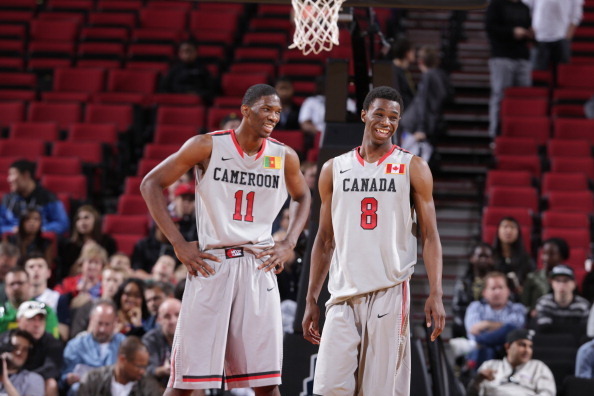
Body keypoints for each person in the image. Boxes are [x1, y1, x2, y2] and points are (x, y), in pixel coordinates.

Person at [140, 83, 311, 395]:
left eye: (277, 111)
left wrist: (289, 241)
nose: (273, 116)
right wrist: (178, 243)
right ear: (245, 110)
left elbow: (302, 195)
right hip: (213, 265)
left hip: (258, 267)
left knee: (267, 384)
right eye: (266, 109)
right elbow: (150, 184)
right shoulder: (207, 146)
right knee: (185, 384)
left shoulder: (283, 156)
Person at [302, 86, 445, 395]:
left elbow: (430, 236)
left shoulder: (413, 167)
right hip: (342, 295)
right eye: (379, 114)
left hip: (389, 292)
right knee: (327, 389)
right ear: (364, 114)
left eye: (393, 117)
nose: (386, 122)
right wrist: (311, 298)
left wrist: (436, 292)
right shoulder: (334, 169)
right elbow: (325, 239)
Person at [485, 0, 533, 138]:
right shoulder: (496, 5)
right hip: (502, 56)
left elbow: (528, 26)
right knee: (500, 95)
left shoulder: (524, 7)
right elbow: (490, 29)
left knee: (524, 97)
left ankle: (521, 131)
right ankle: (495, 133)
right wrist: (512, 31)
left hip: (522, 57)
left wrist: (530, 33)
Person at [463, 271, 526, 370]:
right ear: (484, 292)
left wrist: (486, 324)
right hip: (482, 353)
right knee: (488, 349)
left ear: (508, 291)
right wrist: (502, 329)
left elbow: (516, 328)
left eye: (501, 287)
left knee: (510, 329)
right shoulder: (476, 307)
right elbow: (473, 331)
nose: (497, 292)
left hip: (509, 352)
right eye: (493, 288)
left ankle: (480, 343)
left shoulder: (518, 308)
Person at [61, 300, 125, 395]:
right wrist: (68, 378)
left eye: (107, 324)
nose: (102, 329)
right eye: (99, 323)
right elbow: (64, 375)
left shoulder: (124, 344)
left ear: (115, 322)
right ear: (91, 320)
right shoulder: (76, 345)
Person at [0, 301, 64, 396]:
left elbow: (52, 369)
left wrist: (23, 375)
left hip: (33, 381)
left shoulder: (52, 343)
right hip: (7, 375)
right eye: (31, 320)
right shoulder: (6, 338)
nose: (37, 325)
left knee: (50, 383)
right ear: (19, 320)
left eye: (40, 320)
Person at [466, 328, 556, 395]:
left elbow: (547, 393)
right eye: (522, 345)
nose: (527, 350)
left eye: (530, 346)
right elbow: (471, 394)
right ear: (507, 347)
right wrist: (477, 380)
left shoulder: (538, 367)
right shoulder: (490, 365)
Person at [400, 45, 451, 162]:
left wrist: (421, 128)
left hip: (417, 128)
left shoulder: (429, 77)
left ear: (421, 61)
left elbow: (423, 104)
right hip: (424, 126)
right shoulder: (440, 76)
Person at [0, 159, 69, 235]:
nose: (9, 179)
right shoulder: (7, 199)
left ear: (26, 175)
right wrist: (12, 229)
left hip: (40, 242)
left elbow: (62, 224)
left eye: (12, 174)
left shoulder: (48, 197)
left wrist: (39, 230)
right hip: (12, 241)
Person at [78, 335, 161, 396]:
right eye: (139, 366)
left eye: (144, 367)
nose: (142, 371)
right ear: (122, 359)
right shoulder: (92, 380)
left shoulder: (149, 386)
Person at [57, 205, 117, 283]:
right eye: (78, 219)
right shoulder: (69, 246)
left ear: (96, 220)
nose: (82, 222)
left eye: (86, 218)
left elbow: (111, 267)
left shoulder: (108, 242)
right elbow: (65, 273)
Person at [68, 266, 127, 340]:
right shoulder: (88, 306)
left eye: (115, 281)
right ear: (102, 281)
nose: (111, 284)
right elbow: (75, 335)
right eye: (108, 280)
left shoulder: (124, 310)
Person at [522, 0, 583, 70]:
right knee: (538, 74)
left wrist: (568, 36)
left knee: (562, 75)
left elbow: (576, 14)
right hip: (539, 36)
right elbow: (526, 7)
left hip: (562, 36)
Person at [0, 267, 59, 338]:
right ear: (6, 288)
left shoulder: (45, 311)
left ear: (29, 284)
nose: (16, 287)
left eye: (20, 283)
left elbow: (51, 342)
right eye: (12, 284)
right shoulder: (1, 313)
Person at [452, 242, 495, 338]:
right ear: (472, 258)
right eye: (480, 256)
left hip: (491, 326)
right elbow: (457, 308)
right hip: (467, 327)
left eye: (487, 256)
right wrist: (471, 325)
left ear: (492, 260)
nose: (483, 259)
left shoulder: (498, 282)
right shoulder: (463, 283)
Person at [534, 264, 590, 338]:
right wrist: (574, 328)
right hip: (549, 344)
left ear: (574, 283)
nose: (561, 284)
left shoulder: (583, 305)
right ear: (551, 283)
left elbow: (585, 331)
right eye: (557, 280)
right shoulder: (543, 302)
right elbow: (544, 329)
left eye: (566, 280)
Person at [521, 238, 570, 316]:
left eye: (551, 254)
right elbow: (523, 305)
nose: (546, 258)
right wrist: (530, 312)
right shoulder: (532, 277)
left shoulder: (568, 278)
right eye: (544, 254)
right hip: (537, 319)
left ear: (562, 256)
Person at [142, 298, 181, 388]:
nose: (173, 321)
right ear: (159, 320)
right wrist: (161, 370)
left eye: (177, 315)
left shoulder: (192, 338)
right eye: (167, 316)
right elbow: (143, 370)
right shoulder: (150, 340)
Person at [492, 216, 534, 296]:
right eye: (505, 227)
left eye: (512, 227)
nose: (508, 231)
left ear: (518, 232)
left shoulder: (526, 258)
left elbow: (531, 280)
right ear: (498, 230)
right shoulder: (491, 256)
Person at [0, 329, 45, 396]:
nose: (19, 352)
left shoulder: (33, 379)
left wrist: (5, 381)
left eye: (25, 350)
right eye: (15, 347)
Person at [390, 37, 416, 111]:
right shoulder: (394, 71)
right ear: (407, 53)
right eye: (412, 51)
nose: (414, 53)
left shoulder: (403, 70)